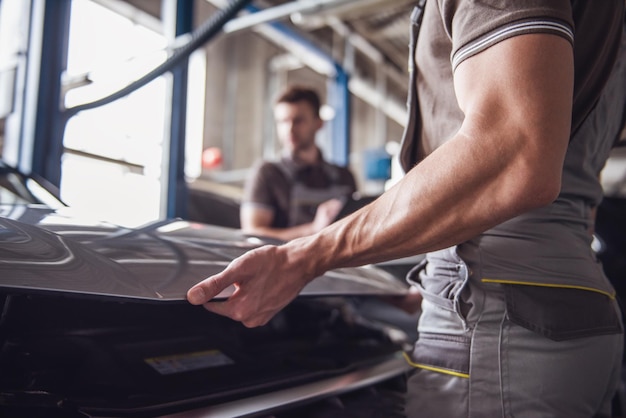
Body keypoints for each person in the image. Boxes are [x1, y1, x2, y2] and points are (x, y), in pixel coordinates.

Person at [189, 1, 626, 417]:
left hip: (497, 319)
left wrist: (304, 256)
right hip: (578, 307)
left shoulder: (336, 174)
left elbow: (515, 157)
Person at [239, 85, 357, 241]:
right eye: (283, 121)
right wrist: (314, 229)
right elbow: (253, 234)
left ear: (319, 123)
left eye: (298, 120)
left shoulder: (344, 176)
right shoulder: (267, 174)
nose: (289, 129)